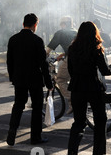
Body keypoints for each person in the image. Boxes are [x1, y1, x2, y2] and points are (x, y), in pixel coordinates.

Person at [66, 21, 111, 155]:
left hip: (77, 88)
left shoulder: (72, 48)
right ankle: (98, 153)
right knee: (100, 120)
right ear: (95, 33)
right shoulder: (97, 48)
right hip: (93, 88)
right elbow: (105, 71)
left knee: (78, 123)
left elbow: (71, 70)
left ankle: (72, 153)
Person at [6, 13, 53, 146]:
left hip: (19, 79)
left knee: (18, 105)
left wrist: (12, 77)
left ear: (23, 24)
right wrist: (49, 83)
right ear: (35, 25)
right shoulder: (37, 40)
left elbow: (9, 61)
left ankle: (12, 132)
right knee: (37, 108)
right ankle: (35, 137)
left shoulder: (13, 39)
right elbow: (43, 64)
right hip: (35, 79)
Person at [46, 16, 77, 114]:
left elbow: (47, 50)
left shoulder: (60, 33)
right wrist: (63, 54)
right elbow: (73, 48)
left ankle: (73, 101)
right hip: (83, 60)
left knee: (60, 79)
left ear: (62, 24)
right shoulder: (76, 32)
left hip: (71, 59)